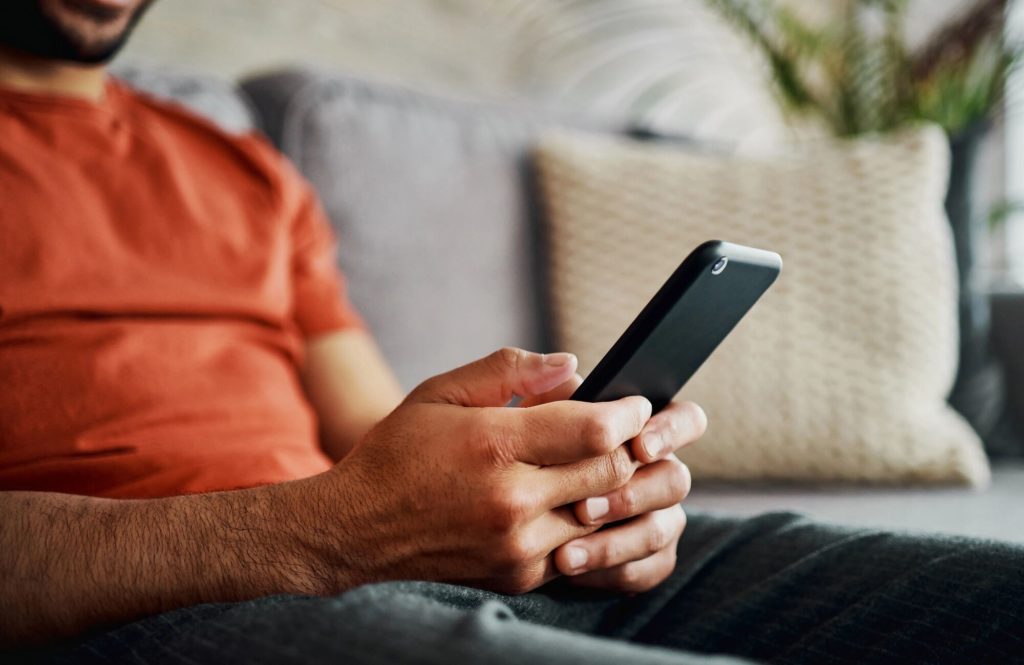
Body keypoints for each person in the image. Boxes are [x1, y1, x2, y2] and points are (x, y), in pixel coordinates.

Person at [0, 1, 1021, 663]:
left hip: (365, 563)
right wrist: (326, 533)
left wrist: (542, 486)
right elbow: (343, 516)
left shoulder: (247, 171)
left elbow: (373, 433)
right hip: (151, 604)